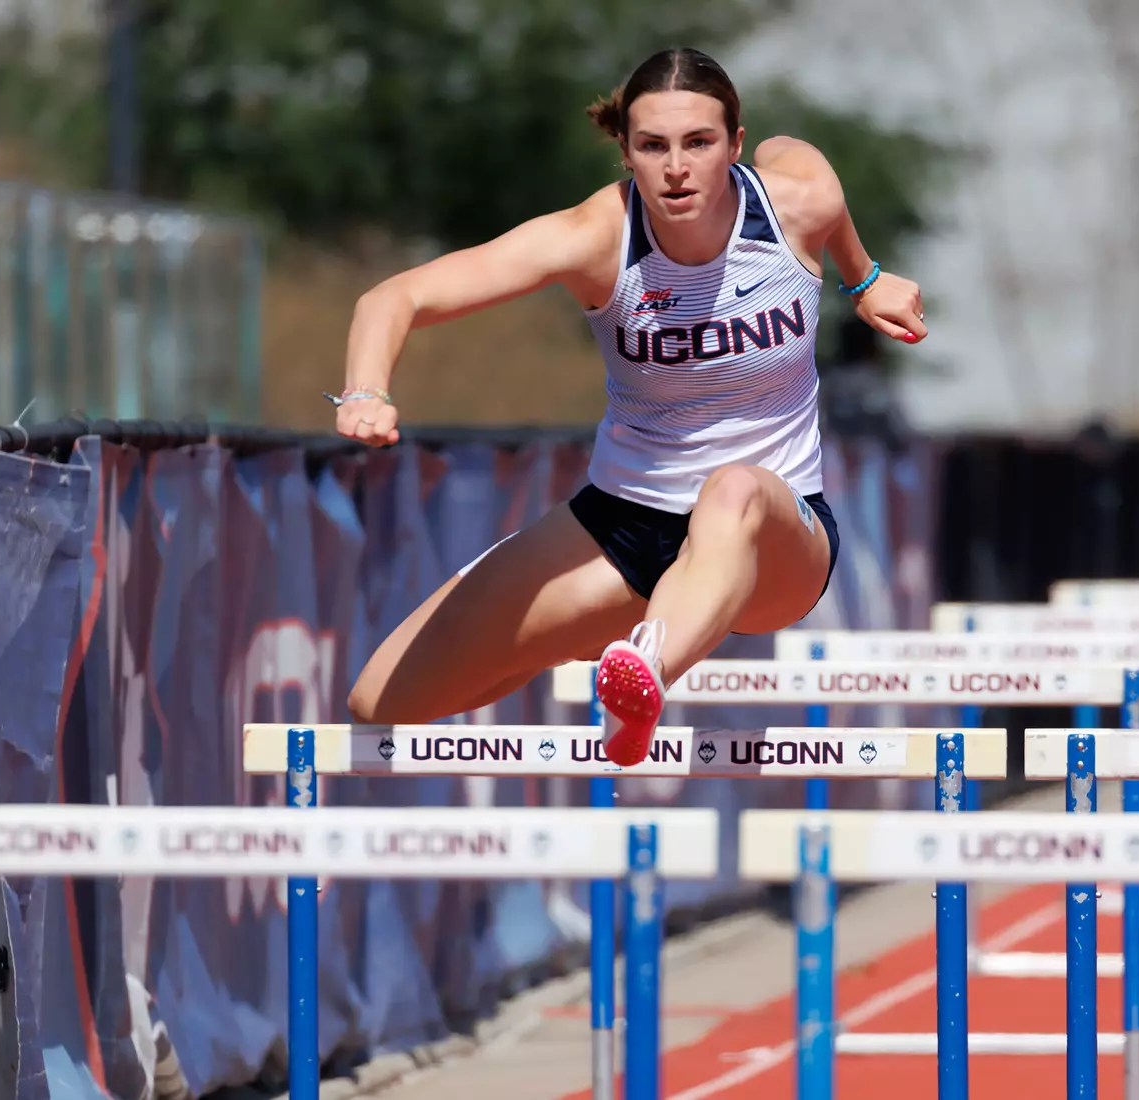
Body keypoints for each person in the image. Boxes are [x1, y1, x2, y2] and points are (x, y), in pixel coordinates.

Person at [335, 46, 926, 766]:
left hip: (775, 534)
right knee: (382, 697)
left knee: (731, 488)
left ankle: (642, 677)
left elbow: (794, 153)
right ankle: (613, 644)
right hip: (627, 524)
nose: (676, 168)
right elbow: (394, 297)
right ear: (627, 152)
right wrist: (366, 390)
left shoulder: (796, 203)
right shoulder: (595, 237)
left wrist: (863, 282)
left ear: (734, 147)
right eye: (653, 146)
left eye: (699, 143)